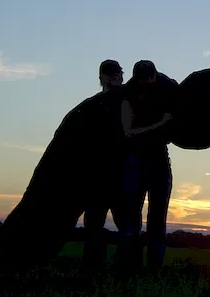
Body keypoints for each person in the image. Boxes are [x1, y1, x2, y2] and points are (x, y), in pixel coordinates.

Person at [114, 60, 178, 275]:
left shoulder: (164, 89)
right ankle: (130, 269)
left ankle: (152, 270)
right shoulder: (128, 97)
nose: (147, 84)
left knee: (155, 220)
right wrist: (160, 125)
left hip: (158, 158)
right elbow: (128, 132)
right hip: (137, 160)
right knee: (132, 220)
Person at [82, 59, 125, 265]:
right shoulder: (94, 104)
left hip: (120, 172)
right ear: (103, 78)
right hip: (99, 174)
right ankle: (94, 265)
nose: (116, 77)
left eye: (118, 73)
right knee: (94, 224)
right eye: (112, 74)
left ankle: (124, 266)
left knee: (125, 224)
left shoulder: (129, 100)